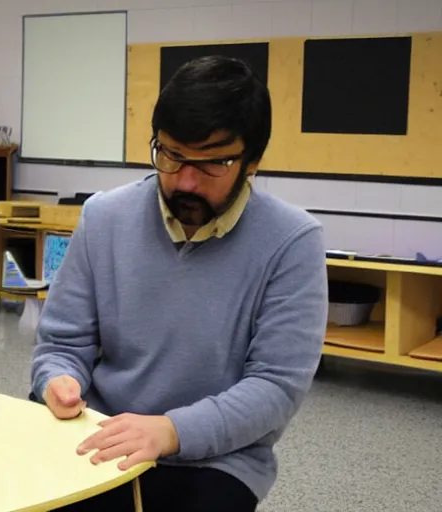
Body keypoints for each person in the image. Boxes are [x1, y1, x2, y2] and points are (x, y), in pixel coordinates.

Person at [30, 55, 328, 511]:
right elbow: (61, 344)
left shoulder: (292, 242)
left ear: (252, 162)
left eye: (212, 163)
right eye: (170, 155)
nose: (184, 181)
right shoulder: (104, 217)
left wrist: (170, 431)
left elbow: (275, 387)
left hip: (218, 460)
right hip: (102, 435)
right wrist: (58, 380)